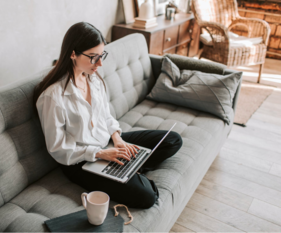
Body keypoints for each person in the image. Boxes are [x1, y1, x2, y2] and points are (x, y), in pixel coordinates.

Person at [33, 22, 182, 209]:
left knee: (173, 140)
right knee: (147, 197)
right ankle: (128, 170)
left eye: (101, 55)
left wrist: (118, 139)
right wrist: (101, 154)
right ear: (73, 54)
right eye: (94, 57)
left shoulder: (93, 78)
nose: (100, 63)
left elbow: (106, 116)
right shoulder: (52, 96)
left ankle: (127, 167)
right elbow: (58, 148)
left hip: (108, 144)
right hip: (81, 161)